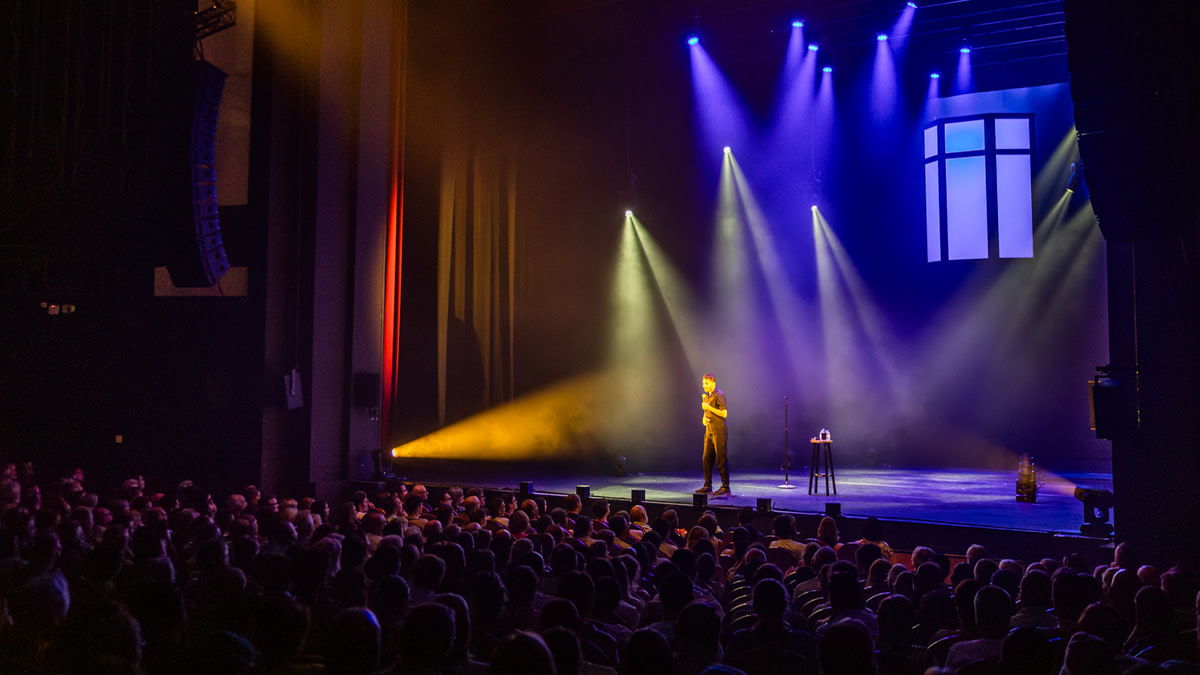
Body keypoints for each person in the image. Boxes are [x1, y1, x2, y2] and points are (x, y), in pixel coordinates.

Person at [696, 373, 730, 496]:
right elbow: (706, 414)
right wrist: (704, 419)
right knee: (706, 458)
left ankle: (725, 486)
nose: (704, 385)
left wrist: (709, 408)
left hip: (719, 431)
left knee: (721, 459)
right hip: (709, 431)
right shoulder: (707, 397)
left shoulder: (719, 395)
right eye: (703, 383)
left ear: (713, 383)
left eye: (706, 383)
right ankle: (707, 485)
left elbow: (724, 413)